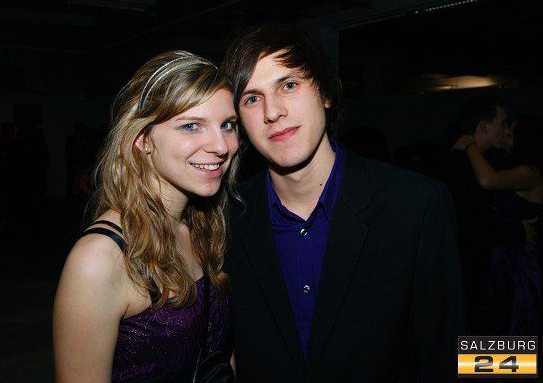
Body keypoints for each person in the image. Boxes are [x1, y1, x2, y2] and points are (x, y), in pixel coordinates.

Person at [222, 24, 464, 382]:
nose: (272, 111)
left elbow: (450, 353)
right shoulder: (225, 218)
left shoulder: (415, 207)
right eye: (252, 99)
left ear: (325, 93)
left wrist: (523, 364)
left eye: (289, 85)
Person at [53, 51, 239, 383]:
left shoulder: (203, 226)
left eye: (227, 125)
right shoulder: (99, 259)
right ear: (142, 139)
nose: (221, 146)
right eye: (191, 126)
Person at [441, 96, 532, 333]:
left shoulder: (490, 160)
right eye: (502, 123)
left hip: (495, 269)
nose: (506, 129)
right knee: (481, 333)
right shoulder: (461, 166)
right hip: (473, 271)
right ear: (483, 127)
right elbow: (467, 226)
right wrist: (518, 232)